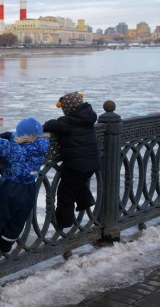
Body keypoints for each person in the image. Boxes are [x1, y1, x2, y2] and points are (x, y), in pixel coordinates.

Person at [0, 118, 49, 256]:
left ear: (21, 136)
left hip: (11, 189)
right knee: (18, 219)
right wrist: (12, 135)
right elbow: (22, 140)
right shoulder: (42, 145)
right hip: (30, 189)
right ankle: (5, 244)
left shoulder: (16, 150)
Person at [42, 91, 101, 229]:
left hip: (76, 165)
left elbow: (50, 125)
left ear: (67, 109)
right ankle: (85, 200)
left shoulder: (67, 122)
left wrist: (46, 123)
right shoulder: (88, 117)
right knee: (77, 183)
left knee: (65, 193)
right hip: (92, 163)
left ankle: (64, 221)